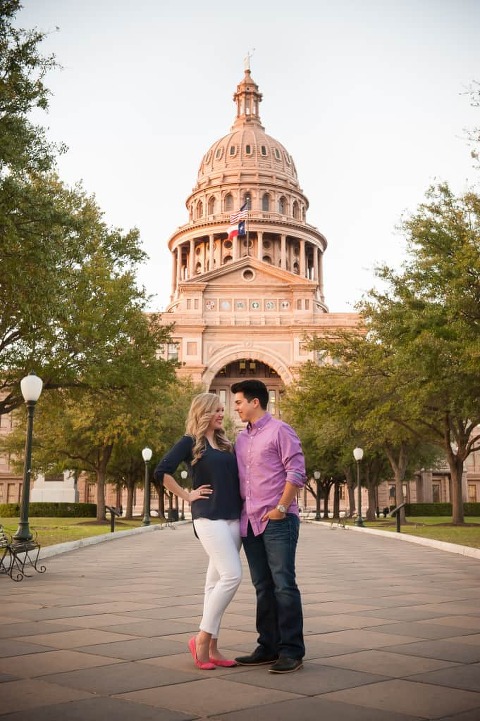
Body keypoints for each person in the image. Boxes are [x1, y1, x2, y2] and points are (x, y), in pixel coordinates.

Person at [153, 392, 242, 670]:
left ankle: (213, 648)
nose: (220, 413)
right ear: (202, 411)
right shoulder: (190, 442)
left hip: (233, 518)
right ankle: (201, 640)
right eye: (215, 409)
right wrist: (186, 495)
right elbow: (162, 471)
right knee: (232, 575)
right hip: (208, 518)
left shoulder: (226, 444)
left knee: (214, 584)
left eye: (221, 409)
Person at [231, 379, 306, 674]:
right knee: (262, 587)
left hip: (277, 521)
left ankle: (292, 651)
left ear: (255, 402)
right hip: (249, 523)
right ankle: (268, 647)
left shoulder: (281, 430)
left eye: (238, 402)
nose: (235, 407)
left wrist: (281, 508)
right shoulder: (241, 439)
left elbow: (297, 472)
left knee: (283, 586)